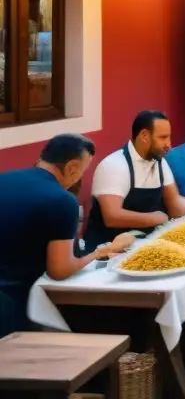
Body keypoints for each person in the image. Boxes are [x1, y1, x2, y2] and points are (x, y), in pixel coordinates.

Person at [0, 135, 134, 337]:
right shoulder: (61, 200)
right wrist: (102, 252)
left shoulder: (5, 179)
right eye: (82, 171)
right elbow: (60, 270)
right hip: (16, 306)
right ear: (72, 167)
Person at [83, 111, 185, 252]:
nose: (169, 145)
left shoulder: (159, 163)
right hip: (107, 251)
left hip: (144, 245)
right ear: (145, 136)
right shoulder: (114, 165)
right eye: (163, 138)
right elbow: (112, 217)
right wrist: (156, 218)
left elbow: (177, 207)